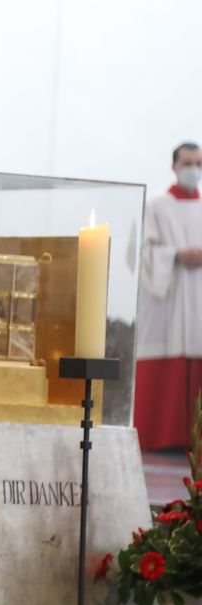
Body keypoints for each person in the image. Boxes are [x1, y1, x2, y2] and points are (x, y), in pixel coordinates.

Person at [135, 142, 202, 450]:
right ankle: (161, 438)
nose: (193, 170)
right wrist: (175, 255)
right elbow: (140, 252)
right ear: (174, 166)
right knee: (170, 345)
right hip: (170, 296)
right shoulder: (156, 206)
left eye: (199, 164)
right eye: (188, 163)